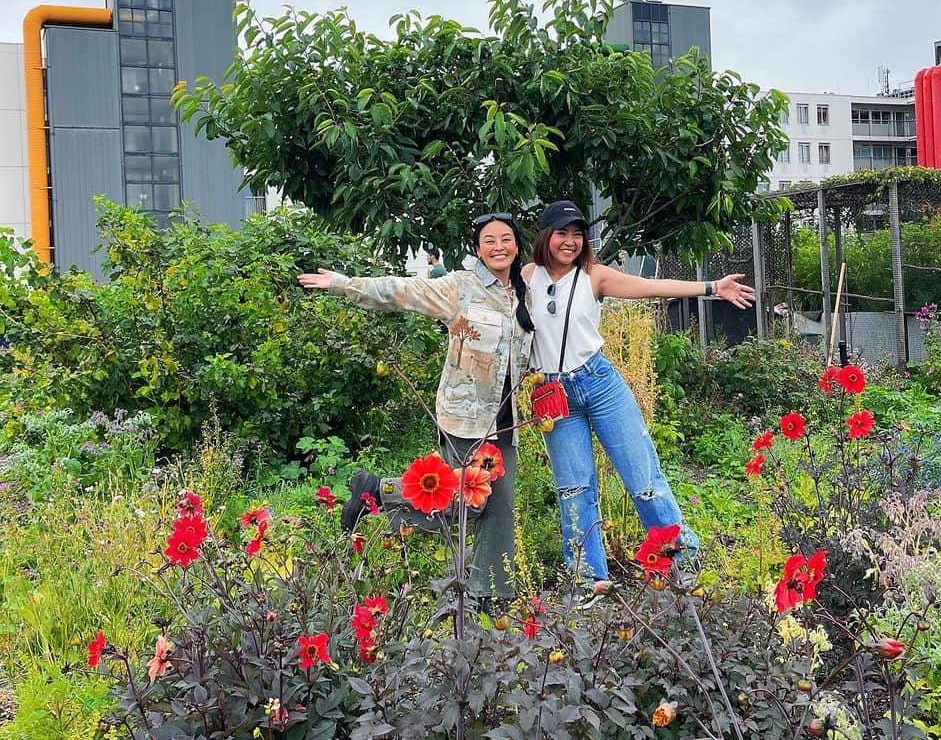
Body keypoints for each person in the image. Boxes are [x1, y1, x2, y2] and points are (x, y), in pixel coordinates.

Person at [298, 214, 534, 605]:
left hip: (507, 419)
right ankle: (381, 491)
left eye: (505, 239)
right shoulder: (461, 287)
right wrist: (343, 285)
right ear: (477, 248)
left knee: (500, 508)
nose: (498, 247)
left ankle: (491, 593)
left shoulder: (523, 293)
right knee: (465, 502)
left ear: (516, 245)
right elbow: (402, 290)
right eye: (489, 240)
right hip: (465, 417)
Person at [524, 199, 756, 584]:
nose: (570, 242)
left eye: (577, 234)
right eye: (561, 234)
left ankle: (681, 562)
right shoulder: (527, 274)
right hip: (552, 393)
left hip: (599, 383)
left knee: (643, 478)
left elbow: (652, 287)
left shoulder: (593, 276)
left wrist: (713, 286)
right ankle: (588, 581)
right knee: (574, 491)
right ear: (546, 236)